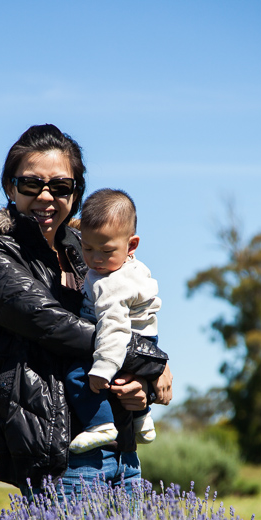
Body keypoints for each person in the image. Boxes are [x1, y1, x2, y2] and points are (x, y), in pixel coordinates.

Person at [0, 124, 173, 502]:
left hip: (121, 447)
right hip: (58, 455)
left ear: (75, 193)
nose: (46, 196)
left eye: (60, 187)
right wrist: (151, 360)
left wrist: (139, 383)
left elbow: (130, 314)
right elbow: (51, 324)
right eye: (31, 184)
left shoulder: (88, 248)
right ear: (11, 187)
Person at [66, 188, 162, 454]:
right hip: (146, 339)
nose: (96, 259)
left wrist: (103, 368)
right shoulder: (135, 268)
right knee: (129, 381)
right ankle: (143, 419)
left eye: (106, 251)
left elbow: (114, 327)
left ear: (131, 245)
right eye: (87, 248)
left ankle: (101, 425)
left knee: (77, 376)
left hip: (121, 340)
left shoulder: (111, 284)